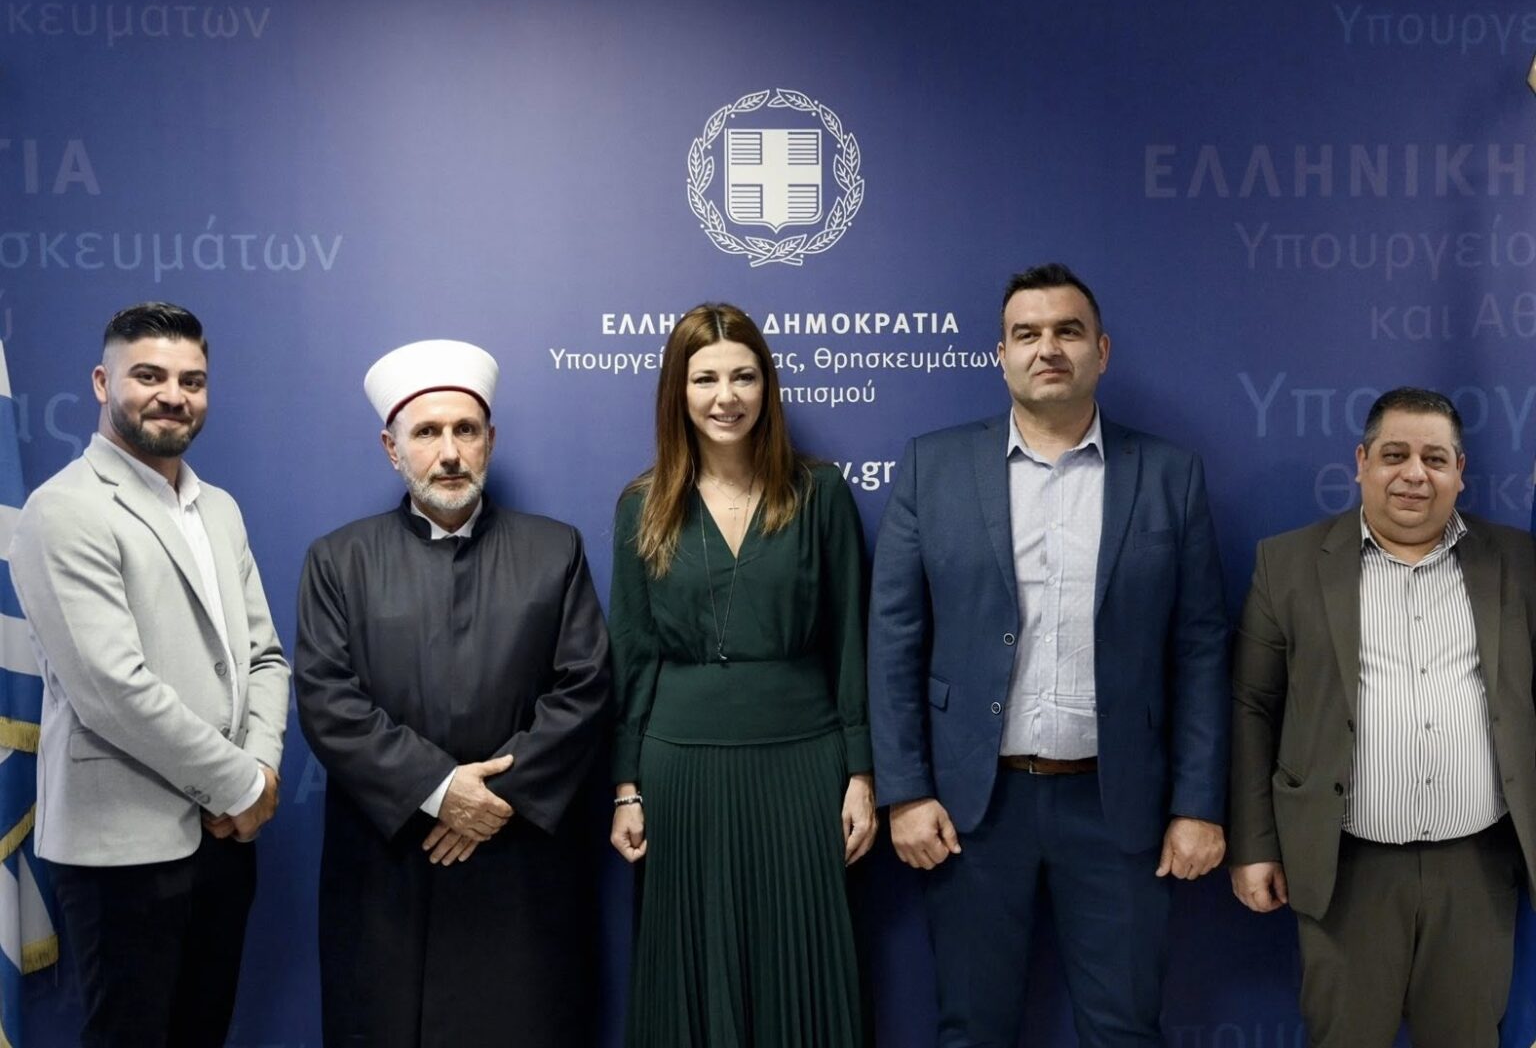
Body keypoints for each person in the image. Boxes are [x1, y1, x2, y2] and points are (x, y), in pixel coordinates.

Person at [868, 263, 1229, 1047]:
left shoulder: (1169, 475)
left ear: (1102, 349)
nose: (1048, 348)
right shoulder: (933, 466)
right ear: (1000, 355)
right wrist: (906, 791)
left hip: (1118, 806)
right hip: (972, 807)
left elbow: (1201, 649)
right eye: (1026, 334)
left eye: (1068, 330)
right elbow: (893, 640)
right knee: (972, 1029)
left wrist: (1198, 802)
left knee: (1124, 1030)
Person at [294, 339, 611, 1048]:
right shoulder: (338, 560)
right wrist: (439, 790)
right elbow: (326, 698)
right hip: (389, 862)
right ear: (392, 448)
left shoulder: (554, 550)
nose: (448, 453)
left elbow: (584, 687)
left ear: (489, 440)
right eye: (427, 432)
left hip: (517, 856)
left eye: (465, 430)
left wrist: (490, 801)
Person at [7, 302, 288, 1048]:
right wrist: (241, 785)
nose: (173, 395)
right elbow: (112, 691)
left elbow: (264, 657)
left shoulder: (219, 509)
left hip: (226, 843)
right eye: (149, 376)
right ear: (103, 384)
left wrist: (261, 769)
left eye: (192, 381)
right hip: (121, 854)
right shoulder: (62, 510)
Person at [1228, 386, 1536, 1048]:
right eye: (1395, 454)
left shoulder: (1520, 562)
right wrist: (1254, 845)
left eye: (1435, 458)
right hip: (1344, 870)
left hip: (1478, 870)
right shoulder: (1287, 564)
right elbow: (1253, 707)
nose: (1414, 473)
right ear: (1362, 462)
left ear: (1460, 472)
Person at [608, 303, 876, 1047]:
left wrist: (862, 773)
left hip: (804, 762)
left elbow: (852, 639)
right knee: (690, 968)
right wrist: (625, 787)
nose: (725, 397)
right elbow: (631, 652)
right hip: (680, 769)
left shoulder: (821, 493)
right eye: (705, 379)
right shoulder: (641, 505)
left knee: (801, 968)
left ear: (768, 387)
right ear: (678, 390)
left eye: (743, 377)